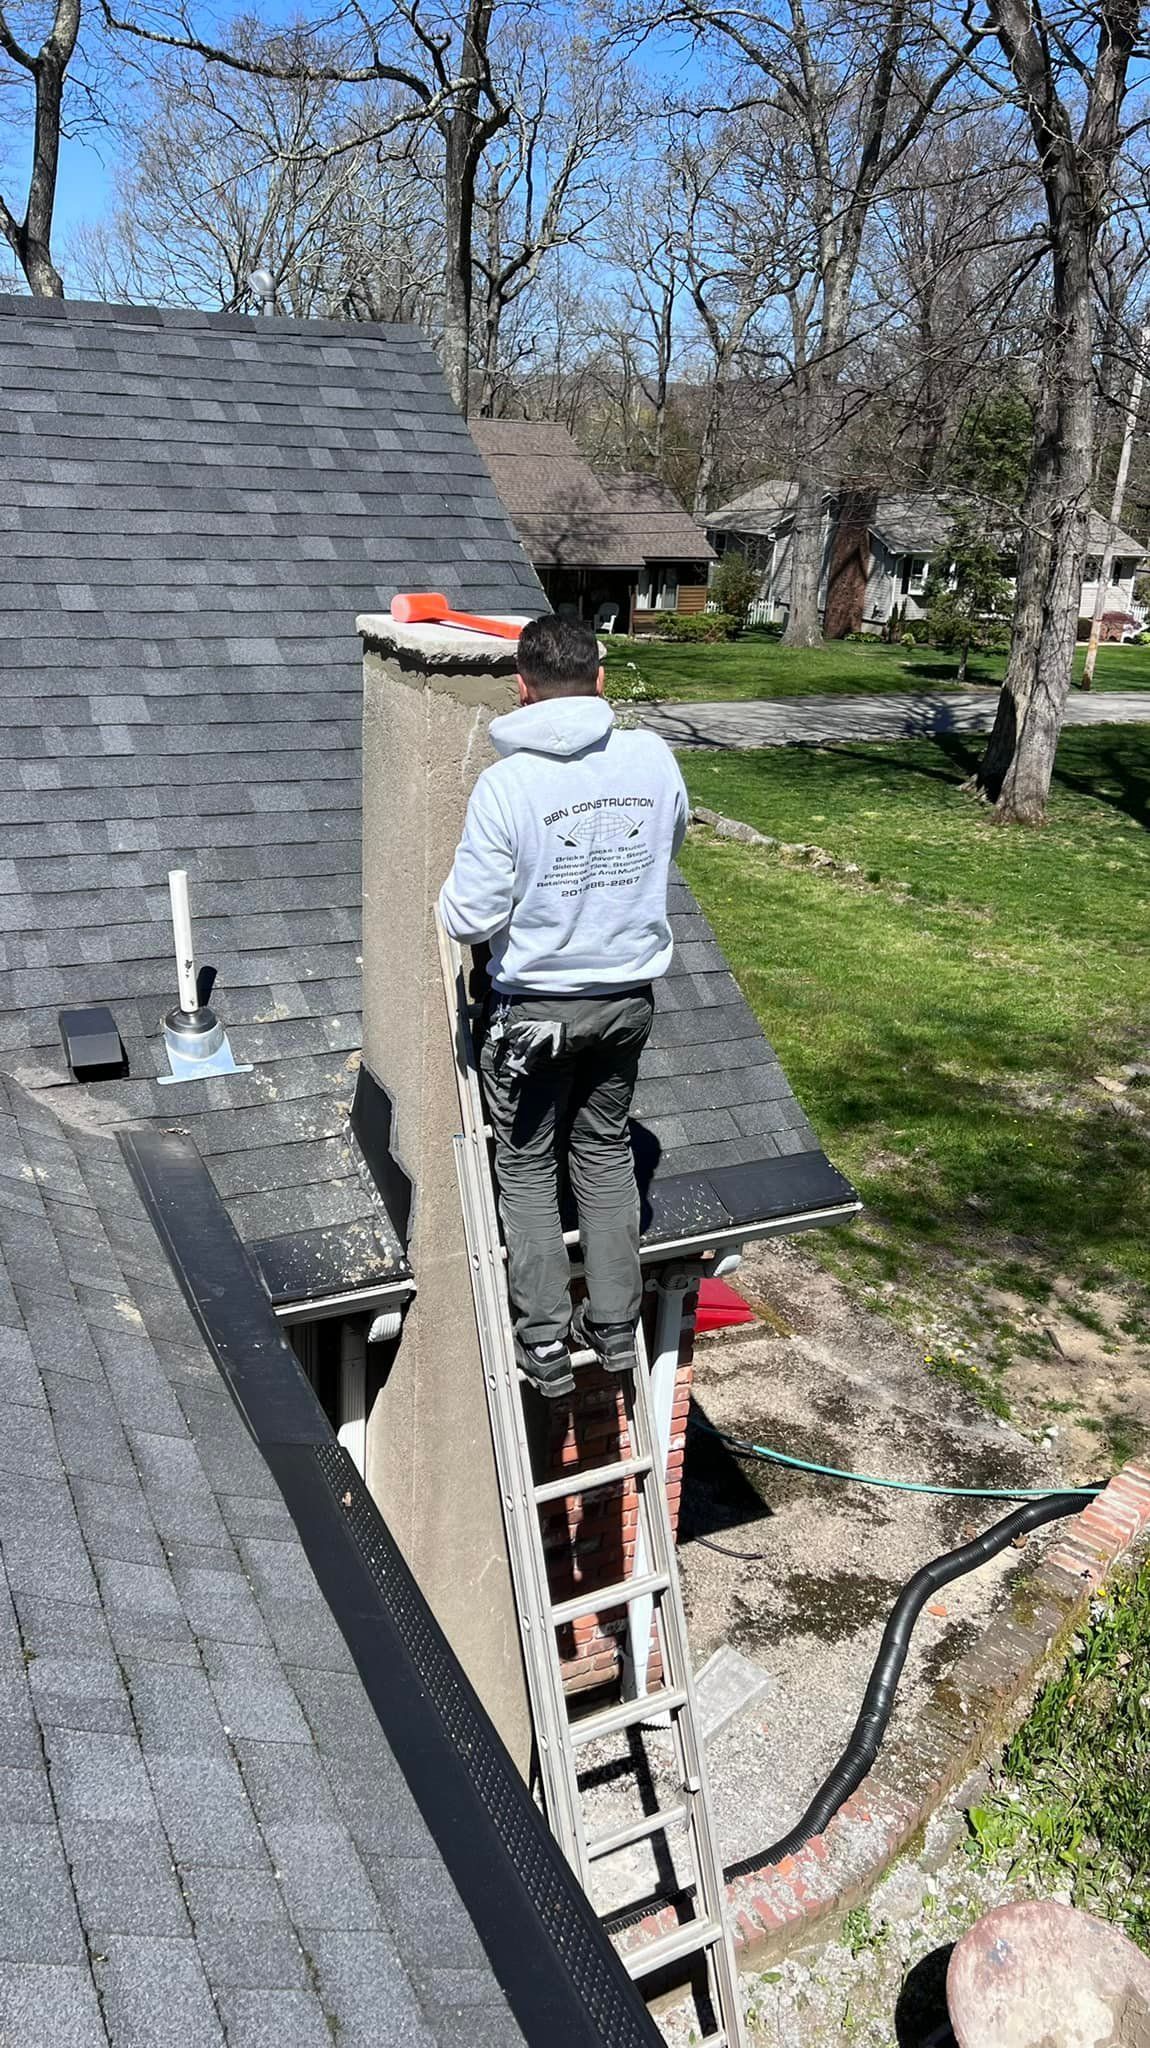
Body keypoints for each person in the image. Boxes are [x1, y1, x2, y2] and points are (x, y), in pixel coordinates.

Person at [439, 614, 689, 1398]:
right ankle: (615, 1326)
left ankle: (542, 1342)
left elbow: (468, 919)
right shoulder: (651, 758)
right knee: (606, 1152)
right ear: (601, 679)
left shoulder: (508, 784)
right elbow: (666, 846)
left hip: (537, 1011)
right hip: (625, 1003)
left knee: (526, 1165)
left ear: (521, 687)